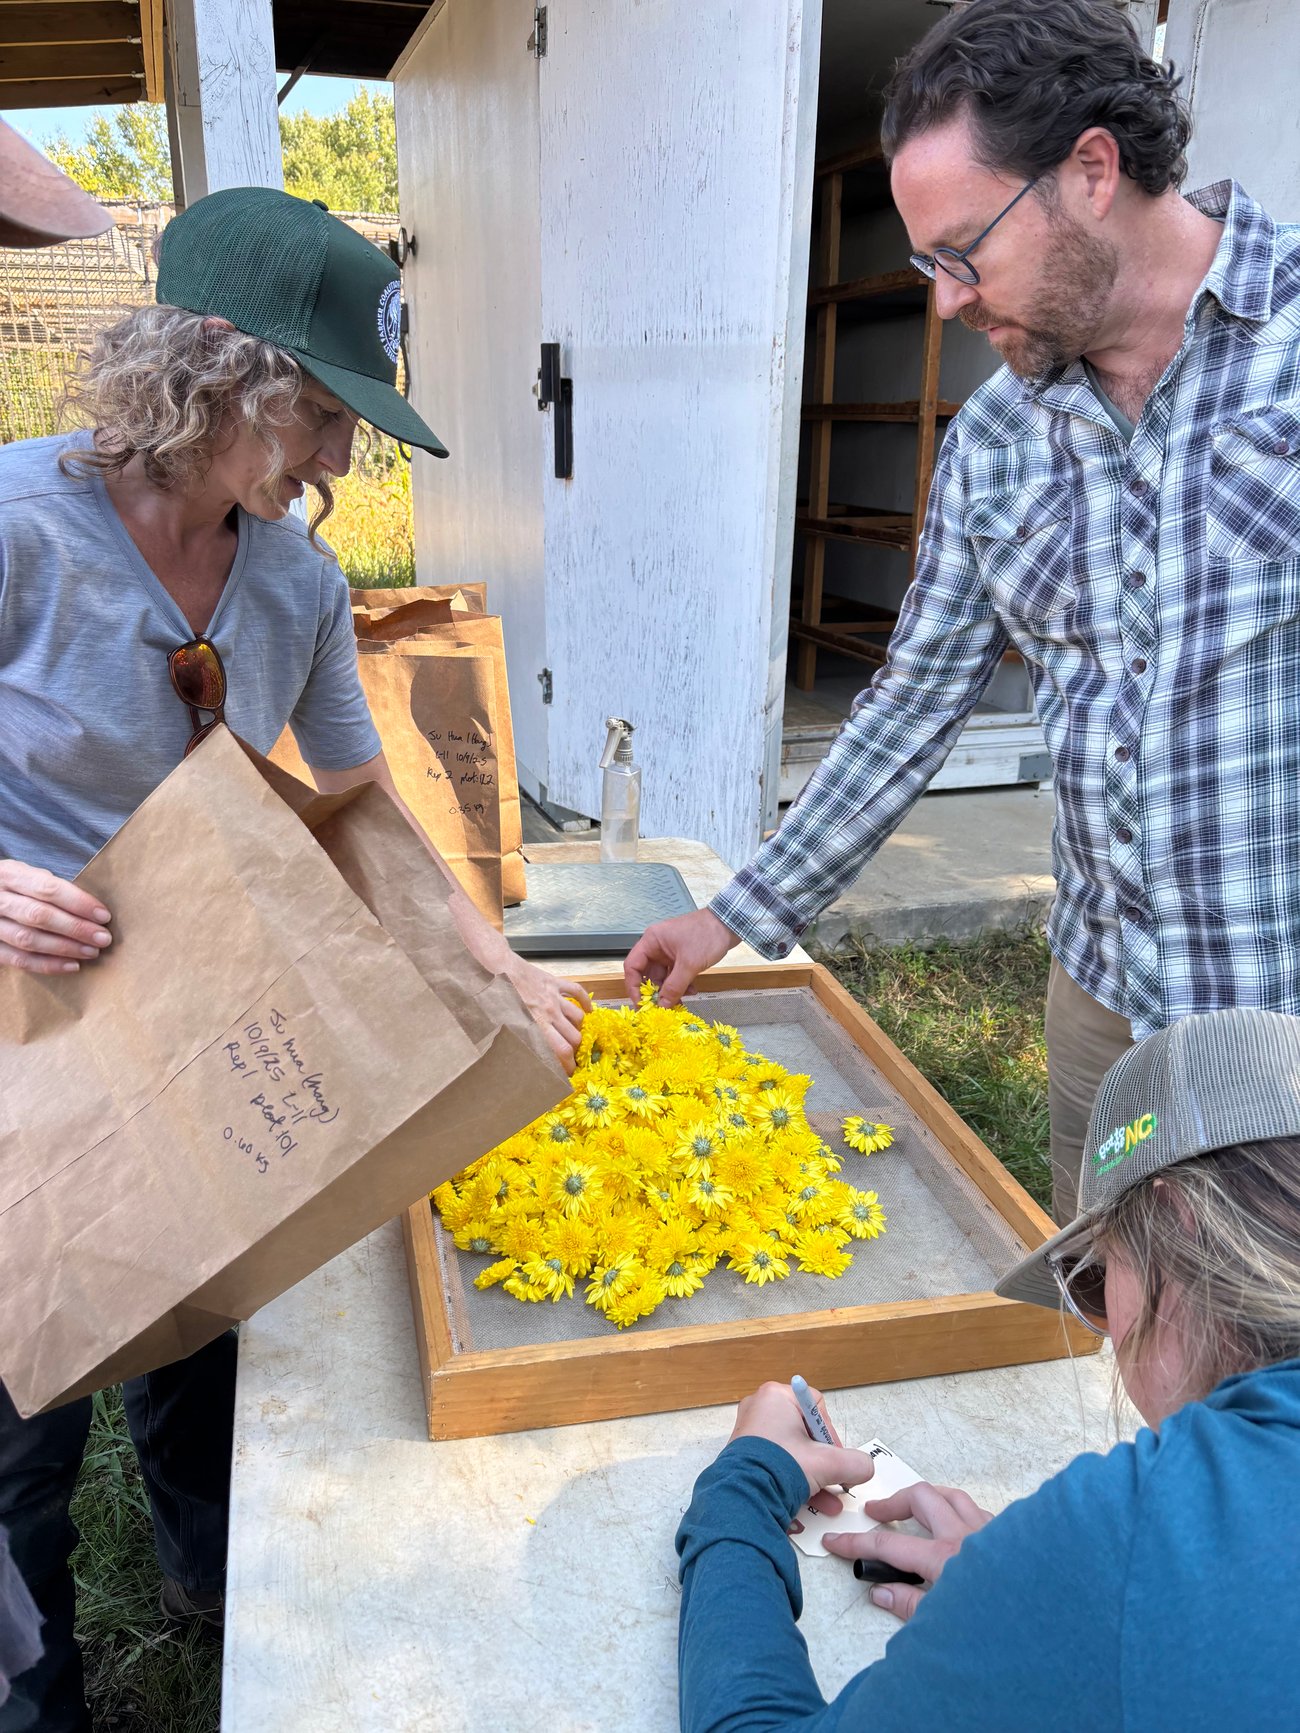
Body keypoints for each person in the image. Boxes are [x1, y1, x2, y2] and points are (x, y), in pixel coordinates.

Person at [0, 183, 589, 1733]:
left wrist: (492, 965)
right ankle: (37, 1689)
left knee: (197, 1313)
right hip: (30, 1010)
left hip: (201, 987)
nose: (343, 460)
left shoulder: (301, 580)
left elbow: (362, 799)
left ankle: (218, 1581)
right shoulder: (17, 525)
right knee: (19, 1391)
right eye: (326, 417)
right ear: (216, 376)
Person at [626, 0, 1300, 1225]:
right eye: (927, 264)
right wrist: (735, 913)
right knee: (1114, 1324)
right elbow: (911, 705)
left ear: (1091, 171)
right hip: (1105, 995)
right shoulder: (996, 438)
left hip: (1281, 1006)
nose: (944, 302)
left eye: (962, 251)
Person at [676, 1005, 1300, 1730]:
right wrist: (1035, 1603)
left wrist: (742, 1485)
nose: (1100, 1319)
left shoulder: (1137, 1533)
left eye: (1095, 1277)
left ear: (1181, 1226)